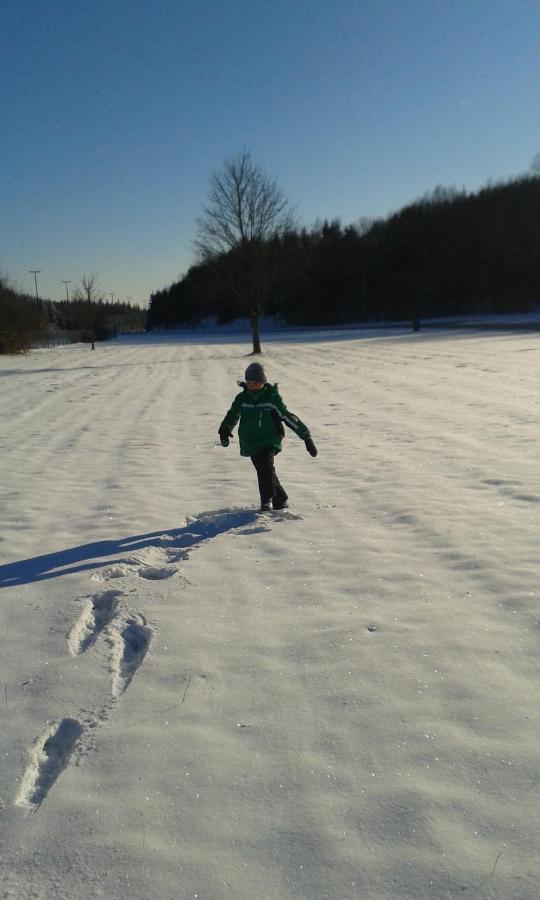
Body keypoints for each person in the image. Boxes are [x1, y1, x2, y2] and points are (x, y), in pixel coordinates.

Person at [218, 362, 317, 511]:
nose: (251, 385)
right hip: (250, 441)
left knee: (265, 466)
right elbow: (232, 415)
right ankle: (280, 499)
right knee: (264, 470)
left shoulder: (271, 398)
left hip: (270, 439)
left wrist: (306, 437)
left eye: (255, 382)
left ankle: (266, 499)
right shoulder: (242, 398)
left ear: (262, 382)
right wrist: (225, 429)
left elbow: (287, 416)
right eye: (249, 382)